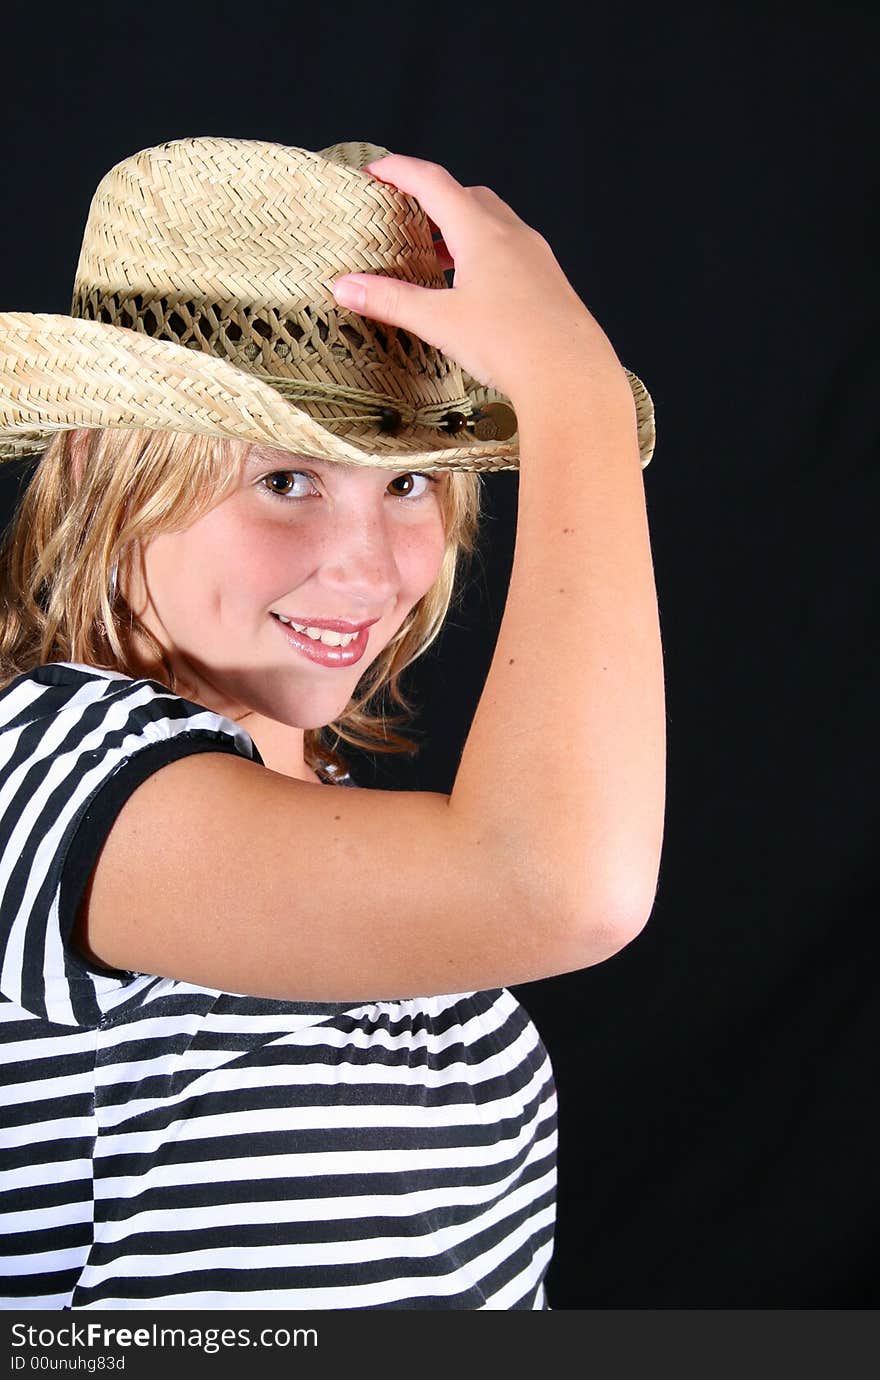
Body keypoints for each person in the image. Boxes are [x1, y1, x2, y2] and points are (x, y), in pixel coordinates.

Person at [0, 136, 665, 1310]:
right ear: (109, 460)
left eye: (408, 482)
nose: (365, 569)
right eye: (286, 480)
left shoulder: (338, 833)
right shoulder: (41, 772)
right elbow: (562, 887)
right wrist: (576, 397)